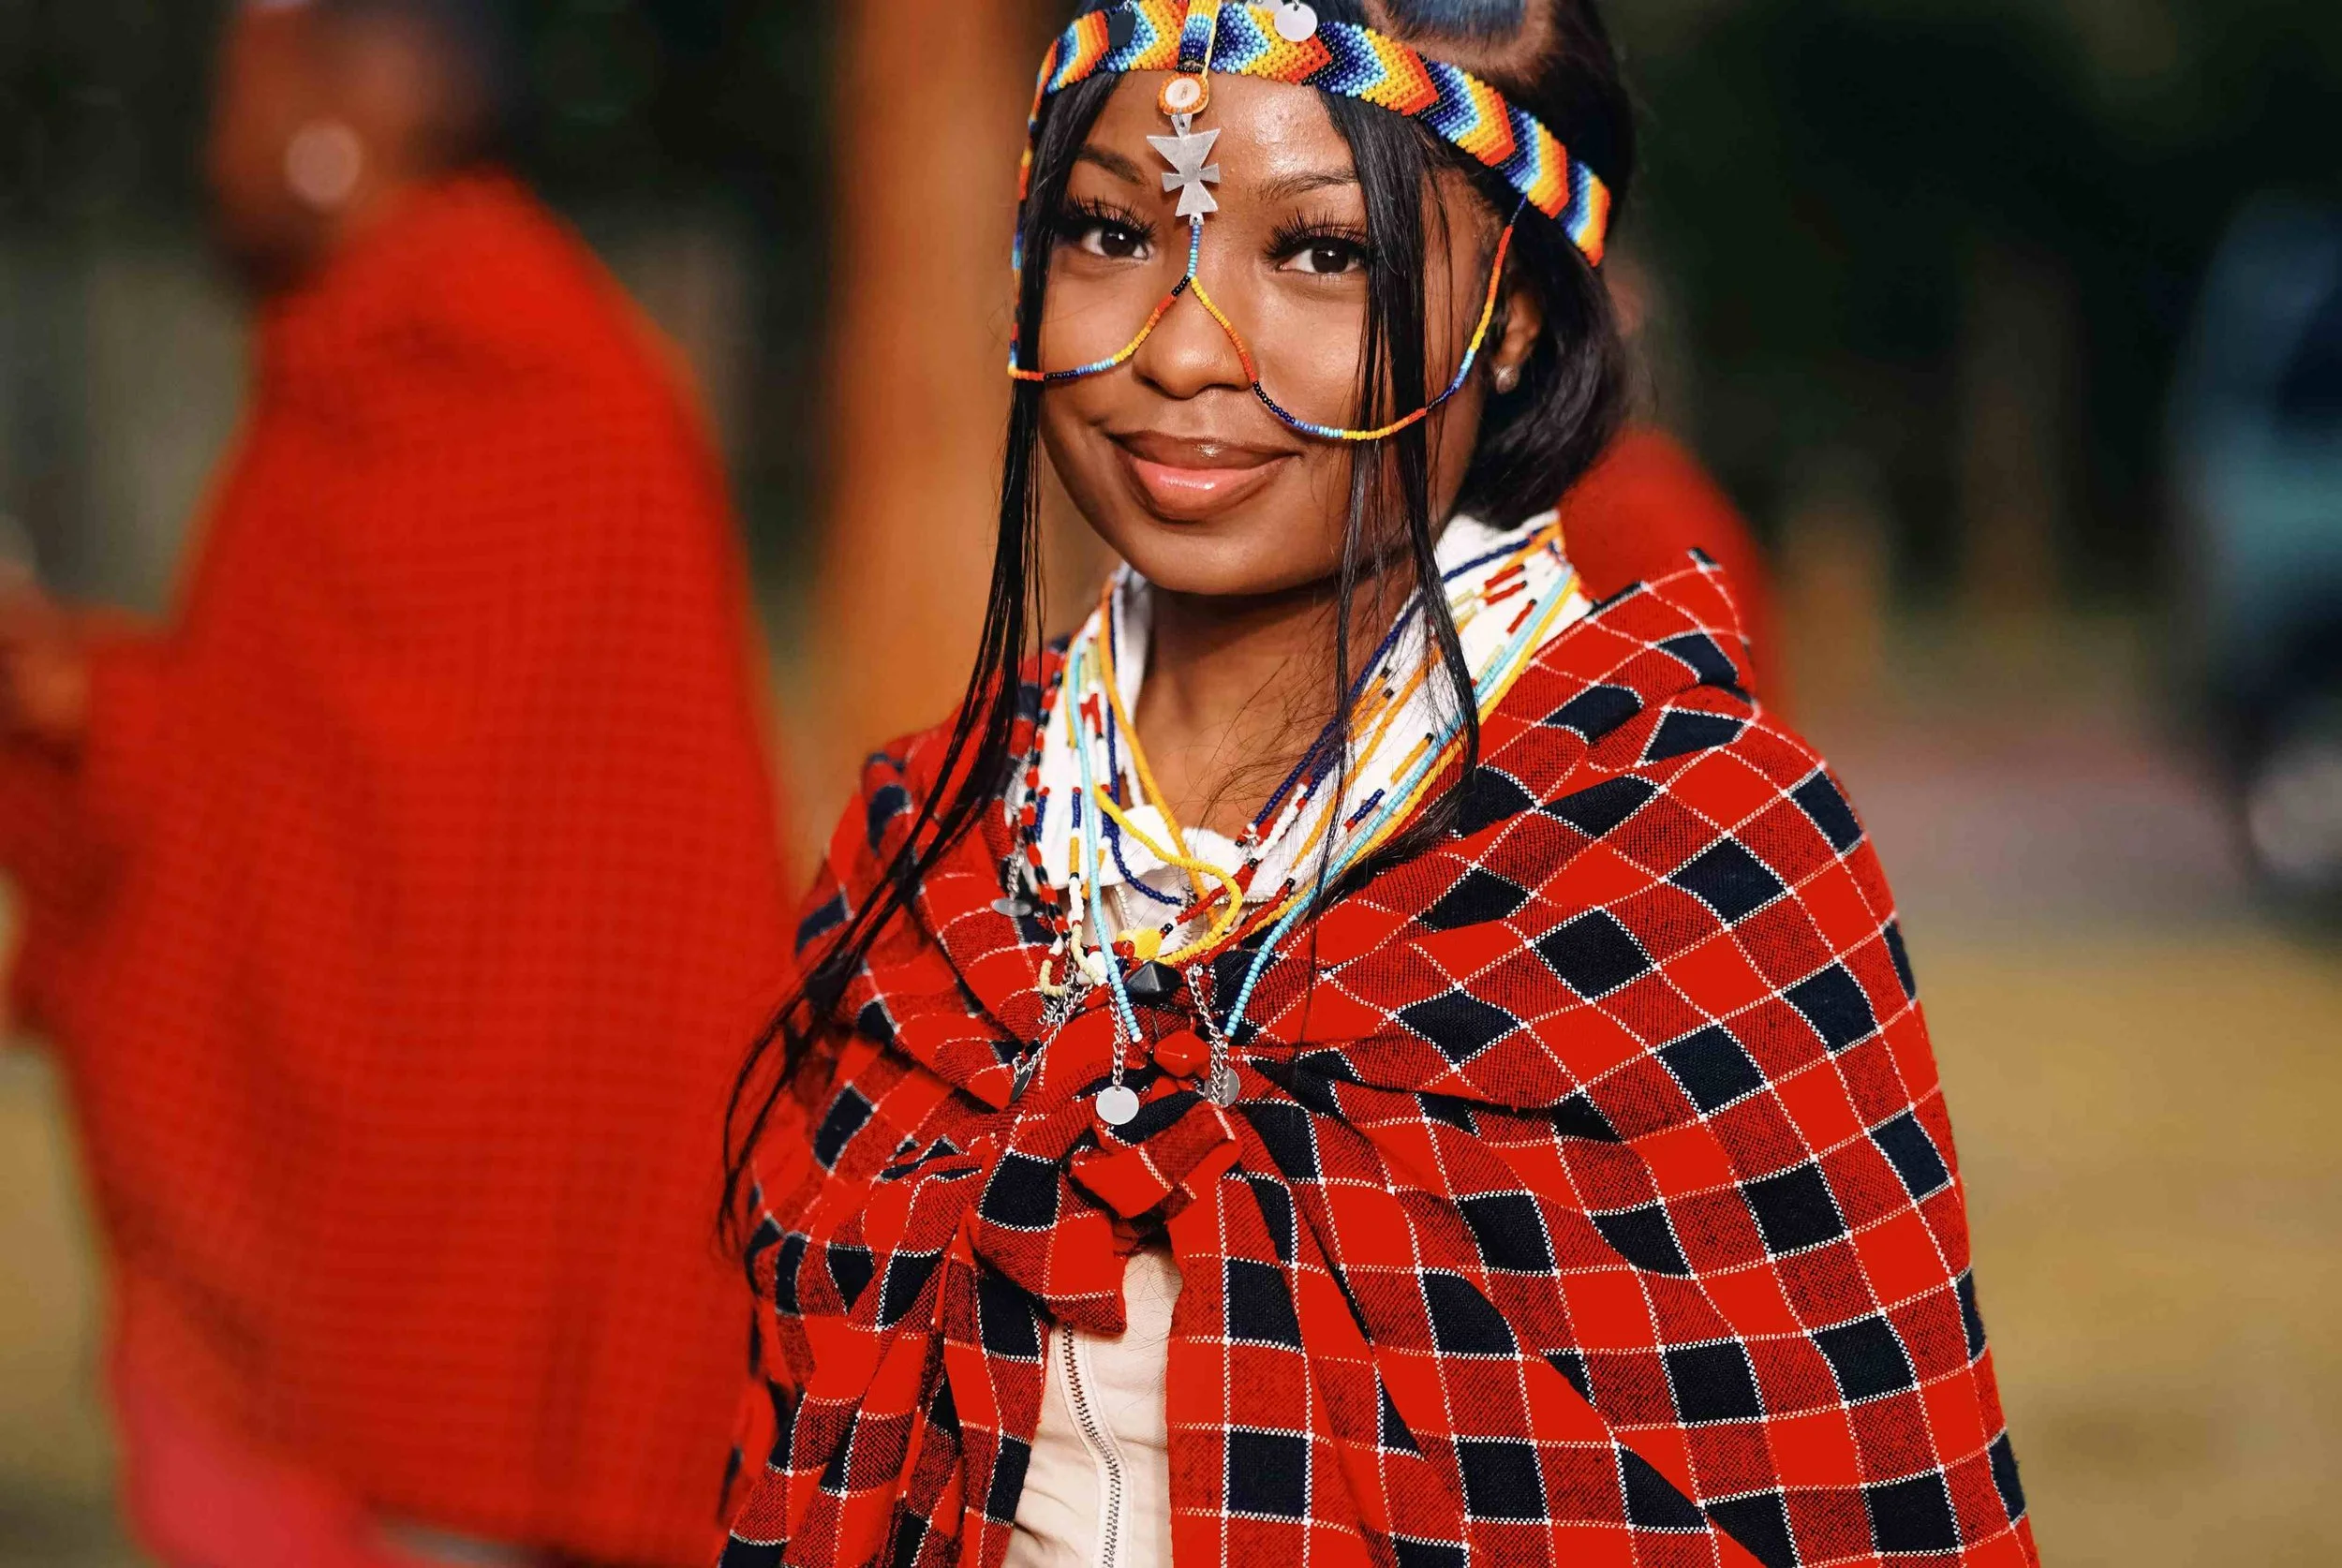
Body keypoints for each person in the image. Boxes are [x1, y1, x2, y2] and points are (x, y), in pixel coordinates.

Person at [721, 3, 2034, 1565]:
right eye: (1110, 229)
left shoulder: (1685, 856)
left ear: (1523, 315)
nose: (1187, 343)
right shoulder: (928, 846)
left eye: (1323, 254)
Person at [0, 2, 790, 1564]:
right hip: (435, 1213)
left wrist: (113, 720)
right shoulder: (368, 371)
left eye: (234, 92)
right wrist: (88, 702)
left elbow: (397, 818)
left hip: (496, 1233)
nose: (208, 153)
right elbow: (286, 778)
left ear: (335, 106)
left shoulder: (508, 380)